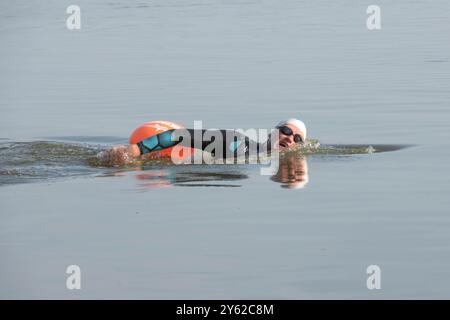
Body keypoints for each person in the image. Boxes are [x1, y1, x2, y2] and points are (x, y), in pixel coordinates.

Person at [100, 118, 307, 166]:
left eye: (297, 138)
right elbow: (177, 135)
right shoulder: (236, 142)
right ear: (273, 132)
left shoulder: (254, 162)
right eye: (286, 130)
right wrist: (136, 150)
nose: (289, 138)